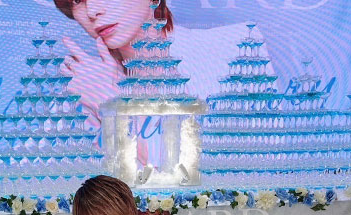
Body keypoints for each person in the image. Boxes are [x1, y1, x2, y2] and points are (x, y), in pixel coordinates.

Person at [54, 0, 268, 128]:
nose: (92, 10)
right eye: (77, 0)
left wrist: (111, 105)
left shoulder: (238, 47)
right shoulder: (81, 89)